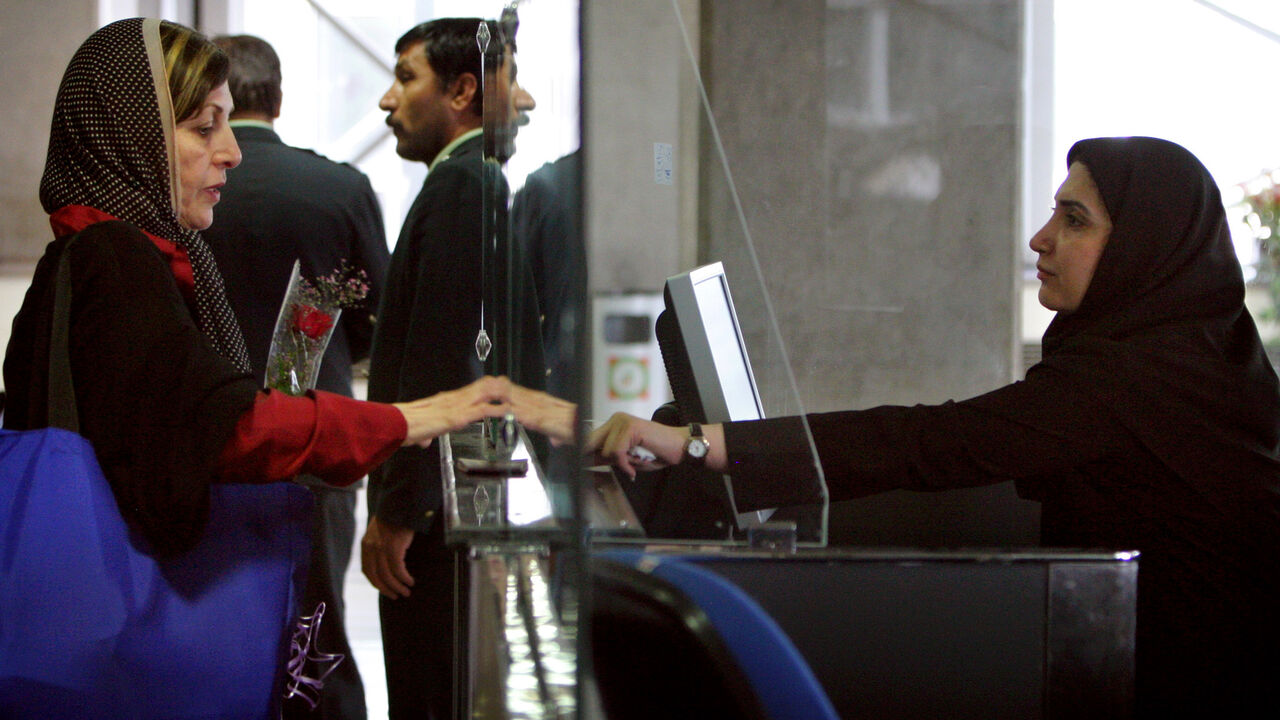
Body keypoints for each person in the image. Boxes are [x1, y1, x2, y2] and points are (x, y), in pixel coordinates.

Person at [514, 136, 1280, 717]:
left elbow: (938, 444)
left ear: (1143, 248)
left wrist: (698, 445)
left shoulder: (1136, 377)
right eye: (1055, 211)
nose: (1041, 237)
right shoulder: (1195, 345)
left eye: (1074, 220)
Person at [2, 16, 510, 713]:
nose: (232, 153)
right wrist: (407, 420)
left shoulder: (86, 256)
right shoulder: (117, 261)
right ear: (133, 136)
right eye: (203, 127)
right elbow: (224, 427)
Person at [360, 17, 545, 720]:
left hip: (440, 522)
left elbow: (441, 366)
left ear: (461, 91)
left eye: (406, 78)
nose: (388, 100)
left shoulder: (464, 186)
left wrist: (400, 509)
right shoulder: (469, 183)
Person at [201, 34, 389, 720]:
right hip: (315, 441)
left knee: (212, 623)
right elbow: (377, 318)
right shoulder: (339, 188)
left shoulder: (184, 188)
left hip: (212, 442)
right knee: (317, 629)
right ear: (279, 99)